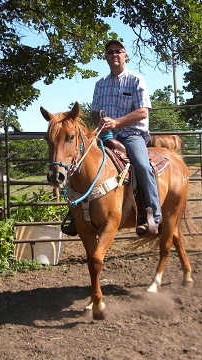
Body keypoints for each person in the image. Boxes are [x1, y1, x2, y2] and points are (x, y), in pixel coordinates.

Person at [61, 39, 161, 236]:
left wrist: (116, 122)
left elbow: (142, 112)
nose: (114, 54)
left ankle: (153, 215)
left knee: (141, 165)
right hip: (104, 134)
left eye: (118, 51)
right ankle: (75, 213)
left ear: (125, 55)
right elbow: (94, 114)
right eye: (110, 52)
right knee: (78, 161)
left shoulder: (136, 80)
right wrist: (101, 121)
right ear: (106, 57)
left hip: (131, 135)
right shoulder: (100, 84)